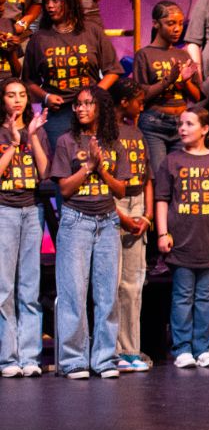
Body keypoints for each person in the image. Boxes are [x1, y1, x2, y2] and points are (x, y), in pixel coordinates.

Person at [50, 85, 128, 378]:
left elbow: (121, 190)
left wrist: (101, 169)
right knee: (73, 293)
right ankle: (74, 360)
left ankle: (105, 359)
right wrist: (88, 168)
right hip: (76, 221)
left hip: (107, 222)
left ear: (100, 108)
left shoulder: (114, 143)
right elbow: (65, 190)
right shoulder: (66, 141)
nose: (81, 108)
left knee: (107, 295)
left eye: (87, 104)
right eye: (78, 104)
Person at [155, 107, 209, 369]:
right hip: (182, 241)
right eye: (181, 124)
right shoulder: (172, 161)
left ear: (205, 129)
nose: (182, 129)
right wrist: (162, 233)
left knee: (205, 297)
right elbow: (162, 199)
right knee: (183, 296)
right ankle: (182, 348)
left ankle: (203, 347)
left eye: (189, 124)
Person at [22, 0, 121, 182]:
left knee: (98, 164)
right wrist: (46, 96)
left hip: (92, 113)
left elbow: (113, 71)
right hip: (59, 115)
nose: (50, 6)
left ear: (69, 1)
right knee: (63, 172)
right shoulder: (39, 39)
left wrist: (92, 96)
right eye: (46, 1)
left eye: (56, 0)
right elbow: (28, 82)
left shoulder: (92, 31)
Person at [0, 78, 48, 378]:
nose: (17, 100)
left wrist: (32, 137)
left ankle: (29, 356)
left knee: (30, 287)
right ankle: (8, 357)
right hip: (4, 210)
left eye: (21, 95)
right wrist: (15, 144)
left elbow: (45, 172)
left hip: (32, 210)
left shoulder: (36, 130)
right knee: (4, 288)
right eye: (10, 95)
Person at [111, 79, 153, 373]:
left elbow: (147, 176)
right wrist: (122, 216)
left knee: (133, 283)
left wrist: (147, 215)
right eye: (138, 101)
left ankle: (131, 349)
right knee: (112, 284)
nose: (142, 106)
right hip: (114, 205)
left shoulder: (136, 132)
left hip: (137, 205)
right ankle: (113, 350)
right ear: (124, 102)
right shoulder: (106, 132)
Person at [133, 1, 202, 179]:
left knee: (182, 177)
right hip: (154, 124)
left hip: (181, 124)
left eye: (180, 23)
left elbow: (198, 97)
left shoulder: (183, 55)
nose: (177, 29)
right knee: (159, 177)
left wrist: (186, 82)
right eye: (171, 23)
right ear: (156, 24)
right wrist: (168, 80)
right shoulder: (144, 55)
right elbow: (141, 96)